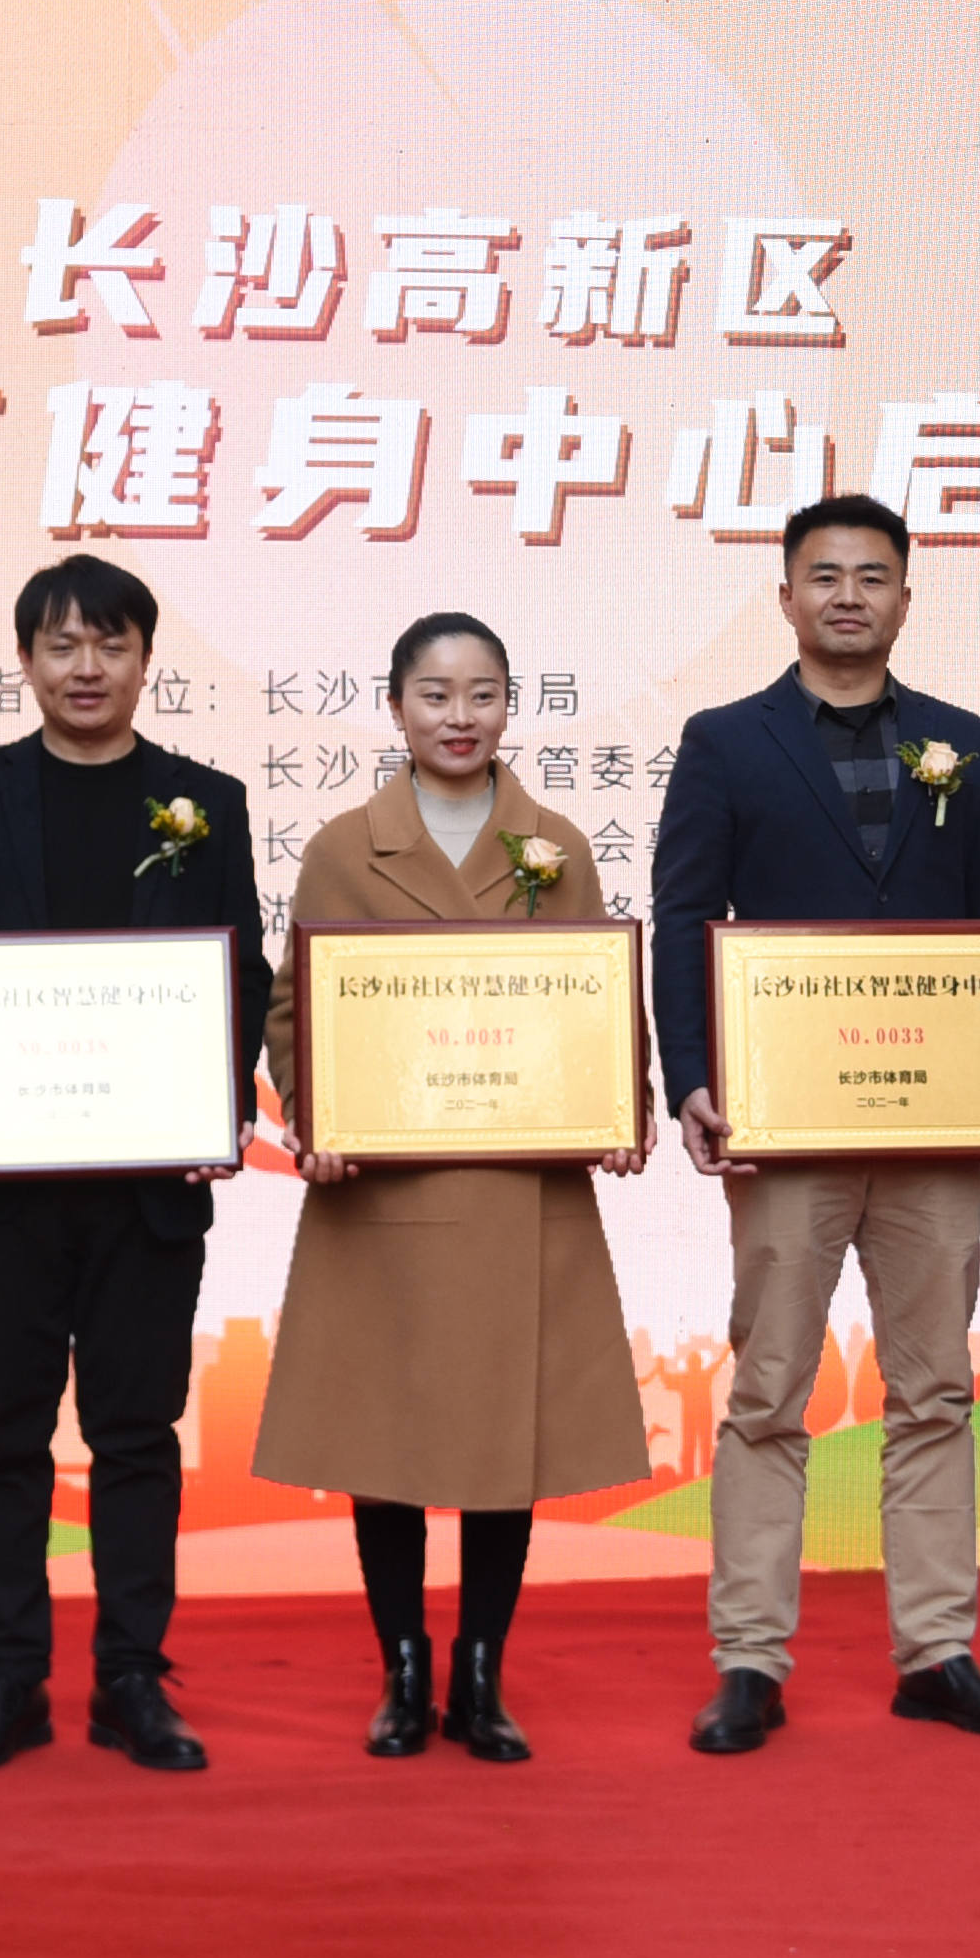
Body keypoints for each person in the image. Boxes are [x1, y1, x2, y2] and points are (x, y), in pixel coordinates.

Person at [650, 493, 980, 1756]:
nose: (846, 595)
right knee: (768, 1387)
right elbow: (683, 913)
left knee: (934, 1387)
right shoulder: (725, 740)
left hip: (934, 1126)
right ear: (784, 595)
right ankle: (748, 1659)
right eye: (822, 574)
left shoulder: (959, 741)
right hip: (786, 1124)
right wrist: (691, 1075)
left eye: (870, 575)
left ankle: (935, 1650)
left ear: (903, 598)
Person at [262, 613, 651, 1764]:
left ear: (508, 705)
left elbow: (597, 996)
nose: (459, 715)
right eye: (435, 694)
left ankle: (481, 1671)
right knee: (382, 1436)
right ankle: (402, 1669)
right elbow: (294, 1007)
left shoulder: (555, 844)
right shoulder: (344, 846)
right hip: (381, 1194)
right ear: (395, 706)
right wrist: (315, 1116)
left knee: (502, 1437)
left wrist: (618, 1103)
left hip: (517, 1188)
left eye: (481, 693)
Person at [0, 554, 265, 1775]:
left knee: (136, 1434)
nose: (86, 666)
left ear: (146, 659)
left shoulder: (204, 800)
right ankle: (7, 1676)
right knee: (1, 1437)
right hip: (2, 1188)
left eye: (111, 643)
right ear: (25, 661)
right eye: (62, 644)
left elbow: (242, 972)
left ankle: (130, 1677)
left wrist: (213, 1106)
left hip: (146, 1191)